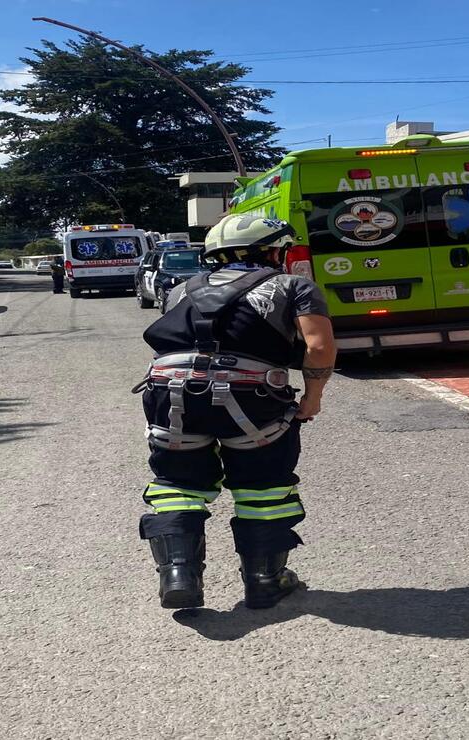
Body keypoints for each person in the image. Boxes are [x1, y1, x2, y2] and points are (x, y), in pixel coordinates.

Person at [133, 215, 336, 610]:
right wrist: (313, 397)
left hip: (170, 393)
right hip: (251, 395)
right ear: (274, 252)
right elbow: (319, 345)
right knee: (264, 485)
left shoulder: (181, 288)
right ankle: (264, 580)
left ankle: (179, 576)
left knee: (178, 482)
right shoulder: (293, 286)